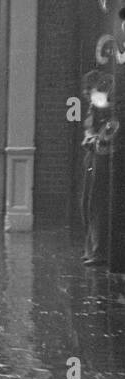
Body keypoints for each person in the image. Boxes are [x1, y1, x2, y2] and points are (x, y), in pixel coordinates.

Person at [81, 75, 113, 266]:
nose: (87, 96)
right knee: (88, 201)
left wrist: (97, 138)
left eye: (89, 91)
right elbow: (88, 125)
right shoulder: (96, 104)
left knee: (96, 202)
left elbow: (111, 126)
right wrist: (90, 136)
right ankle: (92, 248)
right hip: (94, 154)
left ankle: (97, 250)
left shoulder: (105, 104)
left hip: (102, 155)